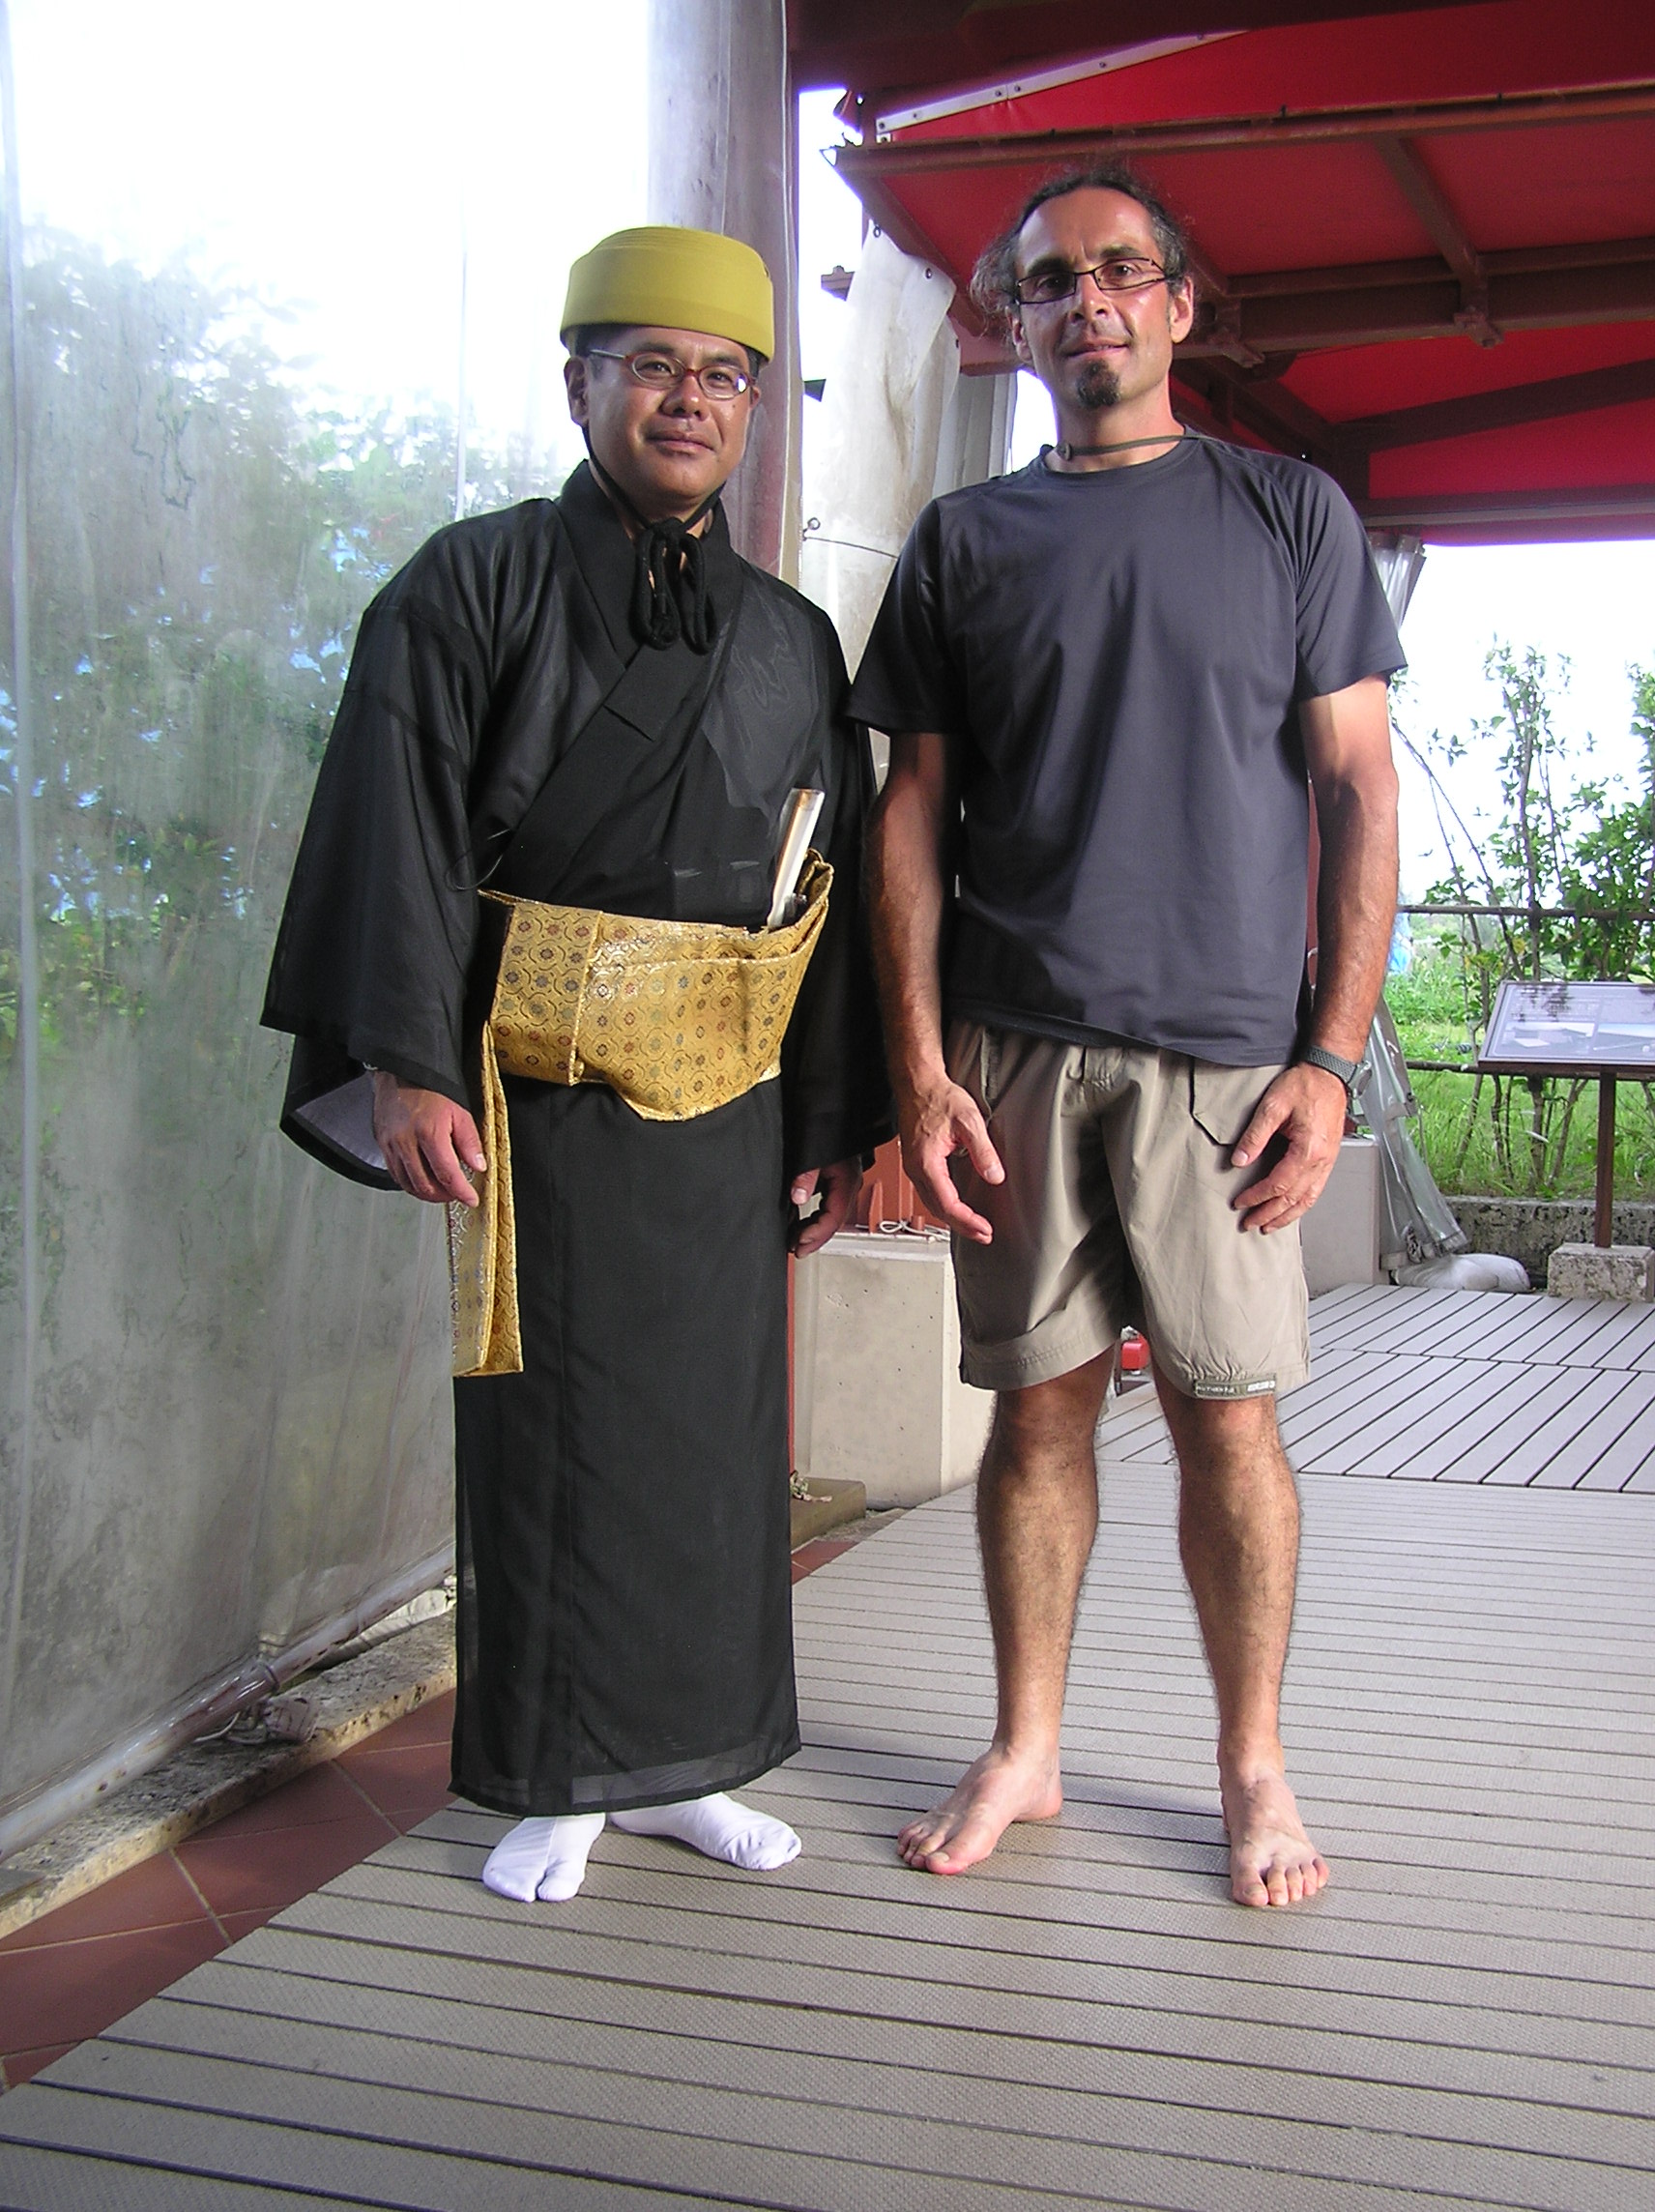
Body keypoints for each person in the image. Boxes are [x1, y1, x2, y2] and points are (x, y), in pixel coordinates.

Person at [264, 225, 887, 1905]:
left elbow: (826, 886)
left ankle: (697, 1763)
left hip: (727, 1099)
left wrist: (833, 1117)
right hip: (537, 1092)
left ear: (752, 407)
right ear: (580, 385)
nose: (691, 401)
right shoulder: (468, 586)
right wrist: (408, 1063)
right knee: (557, 1437)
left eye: (725, 376)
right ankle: (560, 1774)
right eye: (653, 367)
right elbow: (395, 820)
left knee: (714, 1445)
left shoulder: (792, 637)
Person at [852, 166, 1403, 1908]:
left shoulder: (1286, 513)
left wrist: (1328, 1062)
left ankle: (1253, 1765)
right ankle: (1026, 1747)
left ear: (1177, 303)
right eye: (1047, 280)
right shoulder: (965, 542)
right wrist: (918, 1071)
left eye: (1118, 269)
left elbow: (1360, 789)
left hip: (1227, 1065)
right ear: (1014, 320)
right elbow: (911, 815)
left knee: (1229, 1422)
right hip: (1013, 1051)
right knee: (1035, 1419)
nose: (1084, 299)